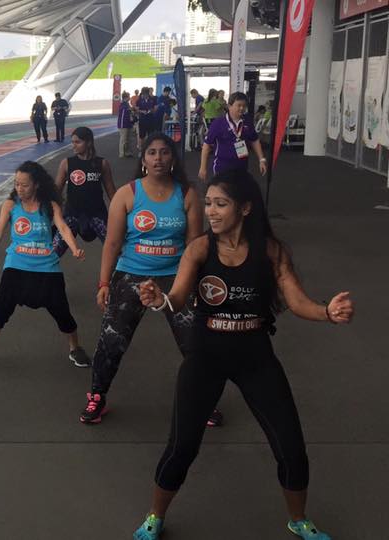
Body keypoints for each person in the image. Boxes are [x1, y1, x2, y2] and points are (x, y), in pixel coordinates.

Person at [131, 169, 352, 540]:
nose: (211, 211)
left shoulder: (271, 250)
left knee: (291, 446)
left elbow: (297, 301)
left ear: (245, 208)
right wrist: (160, 300)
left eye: (221, 204)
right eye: (208, 203)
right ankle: (155, 516)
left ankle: (299, 520)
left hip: (255, 357)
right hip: (206, 356)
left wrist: (327, 312)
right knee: (182, 446)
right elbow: (178, 297)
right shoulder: (200, 249)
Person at [80, 133, 209, 425]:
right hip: (131, 274)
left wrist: (195, 284)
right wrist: (104, 283)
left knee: (194, 342)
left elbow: (194, 245)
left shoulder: (187, 195)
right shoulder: (127, 194)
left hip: (175, 276)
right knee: (112, 340)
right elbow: (113, 243)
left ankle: (204, 400)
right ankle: (97, 396)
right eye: (152, 152)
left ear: (173, 158)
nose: (158, 158)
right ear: (143, 158)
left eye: (164, 152)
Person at [0, 161, 87, 371]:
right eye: (16, 184)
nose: (19, 188)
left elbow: (63, 227)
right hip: (16, 266)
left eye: (24, 185)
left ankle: (75, 348)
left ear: (36, 185)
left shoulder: (50, 206)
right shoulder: (10, 205)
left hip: (47, 268)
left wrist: (74, 248)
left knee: (63, 314)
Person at [53, 127, 117, 260]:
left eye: (78, 142)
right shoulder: (67, 163)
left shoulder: (102, 164)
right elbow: (55, 192)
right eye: (72, 142)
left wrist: (124, 216)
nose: (73, 146)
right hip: (72, 215)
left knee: (116, 249)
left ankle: (121, 272)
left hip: (97, 215)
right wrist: (53, 214)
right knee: (52, 253)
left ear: (89, 143)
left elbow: (112, 194)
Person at [200, 91, 268, 182]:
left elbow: (254, 140)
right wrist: (203, 167)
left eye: (244, 106)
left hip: (242, 166)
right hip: (222, 167)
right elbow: (206, 145)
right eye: (239, 105)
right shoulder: (218, 123)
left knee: (239, 189)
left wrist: (261, 159)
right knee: (223, 190)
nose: (242, 108)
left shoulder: (247, 121)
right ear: (229, 106)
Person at [117, 92, 136, 158]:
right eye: (128, 96)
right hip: (123, 125)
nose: (129, 98)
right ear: (125, 97)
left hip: (128, 124)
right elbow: (123, 116)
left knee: (128, 139)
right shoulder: (123, 105)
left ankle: (127, 152)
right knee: (123, 139)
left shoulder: (127, 104)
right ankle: (122, 153)